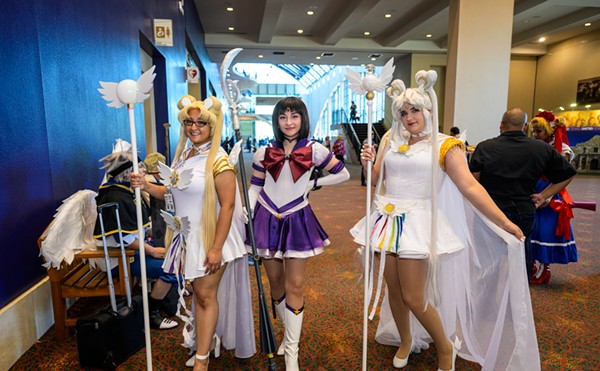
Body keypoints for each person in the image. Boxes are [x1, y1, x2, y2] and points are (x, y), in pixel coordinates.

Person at [352, 71, 539, 370]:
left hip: (418, 224)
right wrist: (368, 164)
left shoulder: (445, 145)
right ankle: (406, 339)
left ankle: (445, 348)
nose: (409, 117)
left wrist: (503, 222)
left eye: (415, 110)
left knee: (414, 295)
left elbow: (470, 187)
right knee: (394, 290)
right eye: (403, 112)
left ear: (428, 110)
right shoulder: (390, 138)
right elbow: (376, 180)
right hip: (386, 221)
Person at [131, 96, 255, 370]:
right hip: (185, 237)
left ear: (212, 125)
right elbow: (172, 193)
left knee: (204, 295)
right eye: (189, 122)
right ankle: (207, 345)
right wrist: (146, 186)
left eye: (201, 122)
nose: (194, 127)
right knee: (198, 294)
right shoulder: (184, 156)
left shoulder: (219, 160)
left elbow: (229, 205)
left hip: (212, 236)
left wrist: (216, 248)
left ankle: (202, 361)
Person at [247, 97, 349, 371]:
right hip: (266, 218)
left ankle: (292, 351)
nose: (289, 122)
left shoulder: (314, 149)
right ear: (276, 121)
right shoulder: (263, 151)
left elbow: (342, 175)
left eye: (294, 117)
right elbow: (255, 186)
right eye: (283, 117)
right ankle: (285, 337)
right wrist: (246, 212)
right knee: (276, 283)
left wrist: (315, 182)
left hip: (297, 219)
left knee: (295, 284)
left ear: (302, 119)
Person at [469, 107, 577, 278]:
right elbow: (568, 174)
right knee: (521, 256)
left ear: (501, 125)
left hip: (490, 210)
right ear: (525, 126)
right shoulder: (541, 148)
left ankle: (487, 297)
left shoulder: (485, 147)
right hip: (524, 210)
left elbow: (472, 182)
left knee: (486, 258)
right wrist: (543, 195)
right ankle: (519, 298)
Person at [93, 144, 178, 331]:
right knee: (171, 269)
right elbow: (123, 236)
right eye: (139, 167)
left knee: (174, 258)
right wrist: (153, 250)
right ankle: (152, 315)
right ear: (127, 173)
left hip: (131, 251)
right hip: (119, 258)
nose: (143, 171)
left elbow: (137, 226)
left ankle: (156, 306)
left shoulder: (127, 192)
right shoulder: (115, 196)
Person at [528, 113, 577, 284]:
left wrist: (548, 196)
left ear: (549, 130)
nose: (535, 135)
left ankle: (544, 268)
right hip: (534, 190)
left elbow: (564, 175)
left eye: (539, 131)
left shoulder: (562, 148)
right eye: (534, 132)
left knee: (545, 231)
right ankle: (532, 265)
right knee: (531, 229)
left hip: (550, 192)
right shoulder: (535, 146)